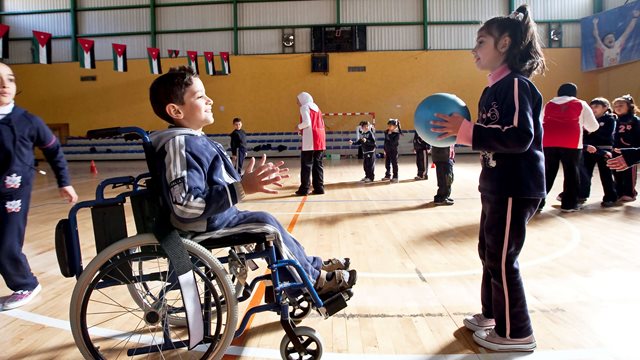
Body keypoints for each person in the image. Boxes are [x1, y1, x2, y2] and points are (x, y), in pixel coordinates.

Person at [148, 66, 355, 296]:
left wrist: (247, 181)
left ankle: (312, 265)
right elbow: (185, 205)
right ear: (176, 110)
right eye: (200, 96)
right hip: (203, 225)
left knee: (268, 221)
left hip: (220, 217)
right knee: (266, 224)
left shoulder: (195, 141)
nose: (210, 100)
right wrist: (242, 187)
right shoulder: (180, 146)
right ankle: (313, 281)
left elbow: (215, 184)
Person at [431, 5, 545, 352]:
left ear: (505, 44)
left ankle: (517, 332)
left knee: (502, 257)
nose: (474, 50)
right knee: (489, 252)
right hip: (496, 185)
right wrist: (466, 132)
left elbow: (519, 136)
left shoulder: (515, 85)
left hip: (516, 186)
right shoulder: (492, 89)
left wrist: (466, 131)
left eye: (481, 42)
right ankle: (494, 314)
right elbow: (491, 133)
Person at [0, 62, 78, 310]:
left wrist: (64, 182)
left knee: (7, 243)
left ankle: (26, 284)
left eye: (10, 79)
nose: (5, 85)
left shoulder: (27, 121)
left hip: (14, 192)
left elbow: (54, 150)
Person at [539, 83, 599, 212]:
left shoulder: (549, 104)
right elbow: (593, 127)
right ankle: (569, 204)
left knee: (547, 173)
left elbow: (540, 121)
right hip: (571, 143)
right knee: (571, 173)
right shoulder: (581, 104)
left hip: (548, 142)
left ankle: (538, 204)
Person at [579, 97, 618, 207]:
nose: (593, 109)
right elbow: (585, 135)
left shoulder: (610, 119)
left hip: (604, 150)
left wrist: (592, 132)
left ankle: (610, 196)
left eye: (596, 106)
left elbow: (605, 134)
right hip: (589, 150)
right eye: (591, 107)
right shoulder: (589, 119)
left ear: (605, 108)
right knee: (585, 174)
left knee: (606, 175)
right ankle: (582, 194)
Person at [294, 92, 325, 196]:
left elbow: (307, 123)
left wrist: (298, 127)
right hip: (320, 138)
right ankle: (319, 188)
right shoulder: (316, 107)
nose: (297, 103)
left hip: (310, 139)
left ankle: (304, 189)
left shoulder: (304, 107)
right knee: (318, 164)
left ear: (303, 99)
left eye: (298, 100)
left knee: (306, 165)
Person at [611, 94, 640, 201]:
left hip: (629, 151)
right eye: (616, 106)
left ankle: (630, 192)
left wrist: (635, 149)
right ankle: (619, 191)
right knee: (616, 171)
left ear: (629, 106)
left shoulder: (635, 120)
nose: (618, 108)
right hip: (615, 150)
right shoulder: (614, 119)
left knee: (629, 173)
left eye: (621, 105)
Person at [381, 119, 401, 183]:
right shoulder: (386, 132)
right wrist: (384, 149)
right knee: (387, 163)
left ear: (395, 126)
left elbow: (393, 143)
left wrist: (389, 135)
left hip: (393, 151)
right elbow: (385, 142)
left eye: (391, 125)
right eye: (388, 125)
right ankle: (387, 175)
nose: (389, 127)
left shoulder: (397, 134)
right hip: (387, 150)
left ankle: (395, 176)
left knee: (394, 163)